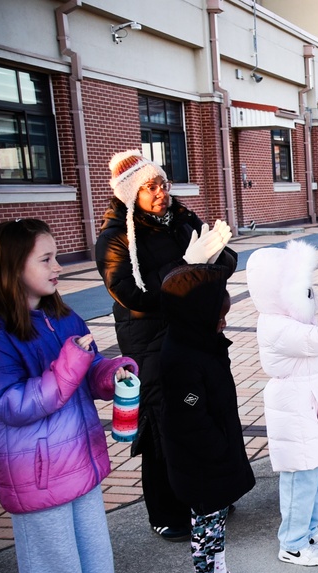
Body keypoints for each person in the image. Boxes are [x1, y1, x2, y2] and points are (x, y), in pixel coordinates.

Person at [0, 218, 140, 573]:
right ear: (13, 267)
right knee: (54, 571)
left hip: (78, 460)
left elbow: (88, 370)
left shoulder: (63, 316)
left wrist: (111, 373)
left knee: (93, 556)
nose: (58, 266)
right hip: (36, 474)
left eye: (56, 256)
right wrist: (72, 363)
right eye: (46, 259)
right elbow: (13, 405)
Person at [95, 150, 235, 542]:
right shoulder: (116, 237)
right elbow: (132, 294)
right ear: (131, 194)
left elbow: (223, 263)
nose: (161, 193)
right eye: (150, 187)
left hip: (197, 332)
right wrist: (184, 265)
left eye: (163, 184)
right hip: (151, 340)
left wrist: (215, 255)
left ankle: (208, 495)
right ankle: (166, 511)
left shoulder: (182, 218)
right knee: (164, 424)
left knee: (204, 413)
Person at [246, 240, 318, 566]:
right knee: (301, 479)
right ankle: (292, 543)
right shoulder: (277, 325)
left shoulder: (291, 319)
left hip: (309, 407)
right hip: (296, 410)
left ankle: (309, 531)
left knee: (317, 474)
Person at [159, 262, 259, 573]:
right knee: (204, 526)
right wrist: (218, 448)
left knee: (216, 520)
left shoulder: (203, 342)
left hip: (215, 452)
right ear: (196, 313)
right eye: (219, 317)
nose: (224, 323)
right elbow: (190, 411)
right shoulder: (181, 357)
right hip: (200, 459)